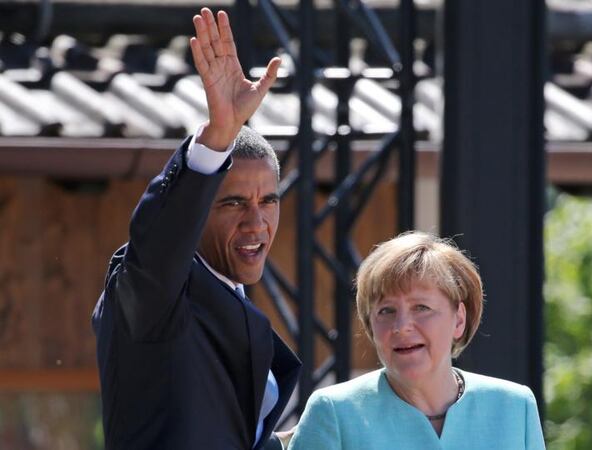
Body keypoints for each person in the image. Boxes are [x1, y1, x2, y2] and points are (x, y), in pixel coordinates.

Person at [92, 8, 299, 450]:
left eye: (268, 201)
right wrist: (216, 138)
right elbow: (158, 244)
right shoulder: (155, 297)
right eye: (234, 202)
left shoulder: (228, 297)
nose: (256, 221)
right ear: (197, 208)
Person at [287, 232, 546, 449]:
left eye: (421, 307)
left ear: (458, 320)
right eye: (386, 311)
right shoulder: (334, 412)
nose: (401, 326)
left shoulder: (514, 407)